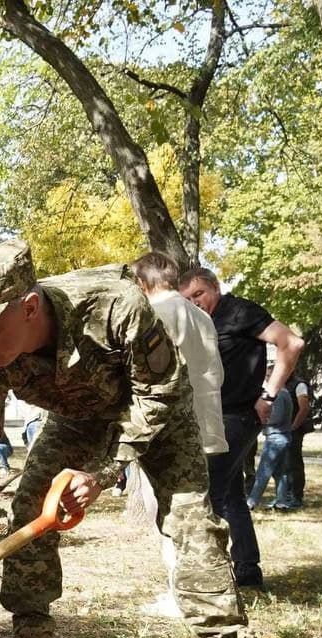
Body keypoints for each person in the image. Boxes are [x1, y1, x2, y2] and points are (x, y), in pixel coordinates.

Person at [0, 240, 263, 638]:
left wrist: (103, 473)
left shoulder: (117, 306)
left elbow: (158, 394)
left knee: (191, 519)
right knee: (30, 507)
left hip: (155, 413)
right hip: (78, 418)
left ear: (30, 307)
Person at [178, 267, 304, 589]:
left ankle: (209, 581)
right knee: (233, 497)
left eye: (198, 294)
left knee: (209, 498)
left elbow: (291, 343)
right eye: (187, 299)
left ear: (215, 288)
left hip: (236, 418)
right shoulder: (198, 323)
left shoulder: (239, 311)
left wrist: (269, 394)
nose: (194, 303)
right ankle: (247, 571)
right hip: (211, 418)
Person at [129, 252, 228, 617]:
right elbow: (215, 372)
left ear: (142, 283)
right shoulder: (201, 315)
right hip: (206, 423)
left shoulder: (153, 315)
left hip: (169, 430)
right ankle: (202, 591)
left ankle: (182, 596)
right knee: (199, 513)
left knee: (172, 517)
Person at [246, 373, 294, 510]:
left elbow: (276, 418)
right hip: (283, 437)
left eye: (268, 376)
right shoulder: (286, 394)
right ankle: (282, 501)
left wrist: (261, 419)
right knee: (280, 472)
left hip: (275, 438)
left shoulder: (279, 396)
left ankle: (251, 501)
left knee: (263, 471)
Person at [282, 373, 312, 508]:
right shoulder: (281, 383)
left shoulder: (299, 385)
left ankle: (296, 496)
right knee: (283, 464)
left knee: (293, 463)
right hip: (283, 429)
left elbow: (304, 408)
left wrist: (293, 427)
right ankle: (285, 495)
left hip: (294, 430)